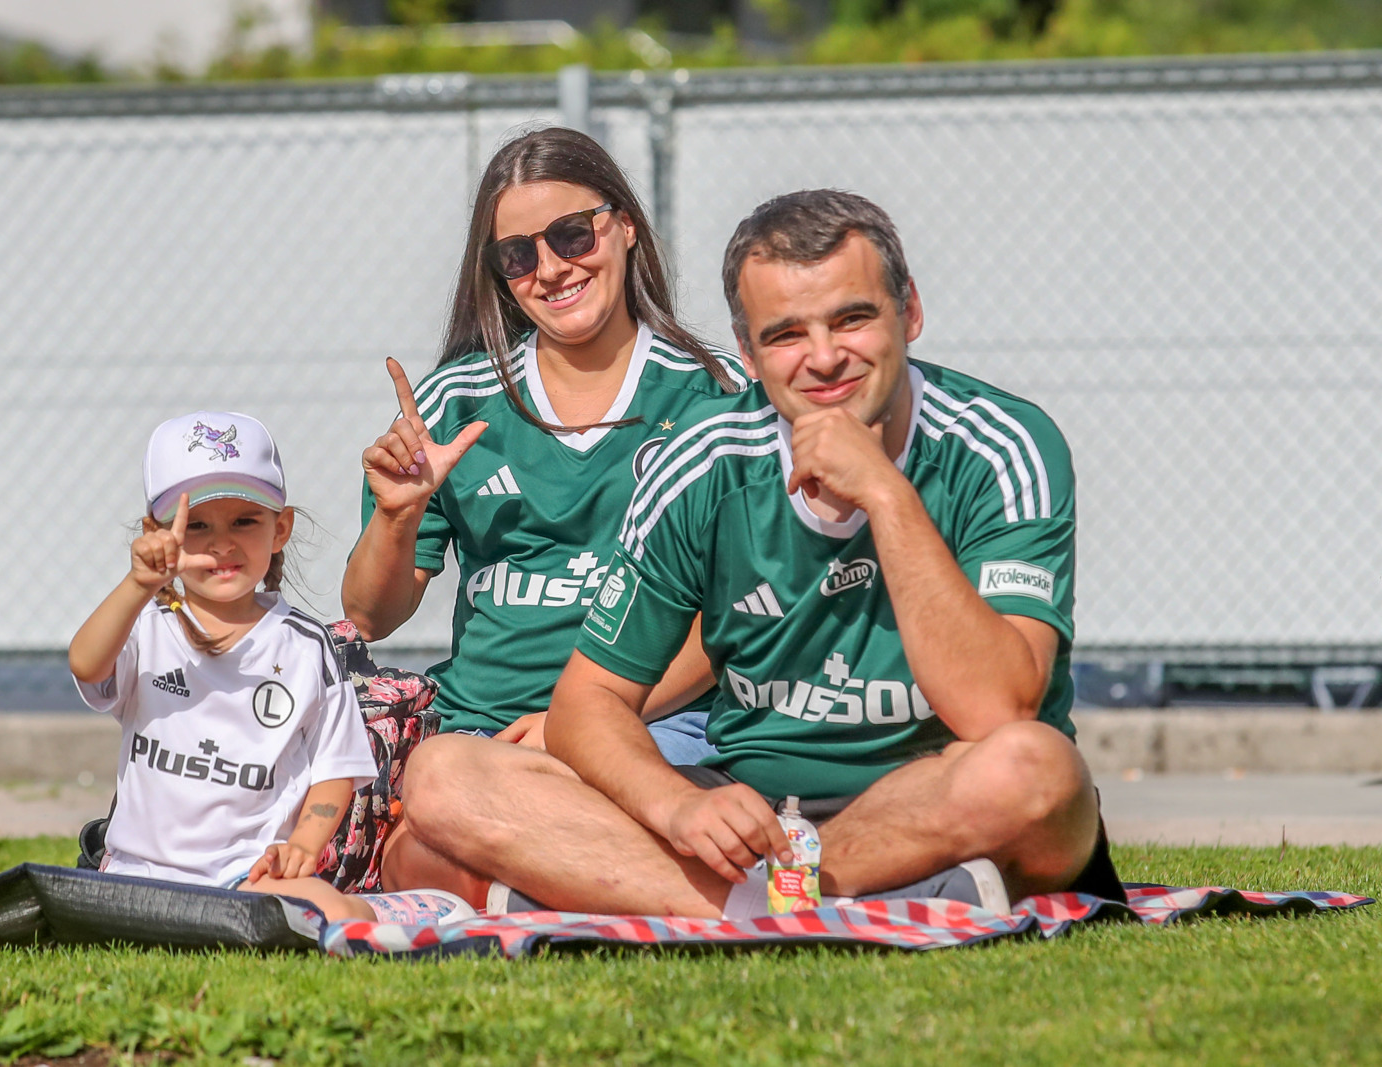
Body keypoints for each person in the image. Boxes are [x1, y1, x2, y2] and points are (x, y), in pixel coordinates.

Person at [400, 190, 1122, 918]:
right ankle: (854, 897)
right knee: (443, 774)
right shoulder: (702, 458)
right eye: (785, 334)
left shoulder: (1004, 445)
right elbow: (590, 702)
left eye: (852, 318)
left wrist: (886, 494)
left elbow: (1000, 708)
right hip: (751, 811)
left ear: (911, 312)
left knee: (1036, 771)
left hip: (935, 793)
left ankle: (730, 898)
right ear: (747, 353)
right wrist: (678, 805)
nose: (824, 356)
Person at [341, 128, 745, 893]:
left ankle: (553, 884)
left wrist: (575, 728)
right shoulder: (452, 402)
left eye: (571, 234)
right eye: (519, 255)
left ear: (625, 225)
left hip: (645, 720)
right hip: (478, 727)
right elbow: (368, 613)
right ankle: (637, 889)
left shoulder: (712, 396)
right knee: (416, 834)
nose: (551, 269)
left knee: (443, 833)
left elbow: (732, 617)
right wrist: (397, 514)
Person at [68, 410, 474, 925]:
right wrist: (137, 585)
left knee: (324, 908)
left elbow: (336, 768)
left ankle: (390, 915)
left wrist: (303, 846)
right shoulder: (145, 626)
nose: (221, 543)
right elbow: (85, 664)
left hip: (249, 879)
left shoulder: (307, 646)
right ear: (157, 532)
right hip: (134, 874)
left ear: (280, 528)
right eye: (195, 525)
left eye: (245, 520)